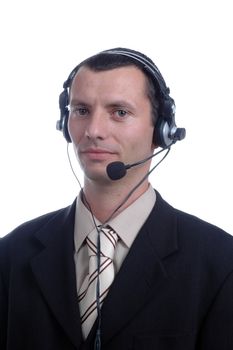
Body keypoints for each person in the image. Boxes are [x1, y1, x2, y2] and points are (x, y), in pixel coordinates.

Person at [0, 48, 233, 350]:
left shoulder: (220, 263)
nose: (93, 131)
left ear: (162, 130)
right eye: (81, 110)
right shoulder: (11, 255)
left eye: (119, 112)